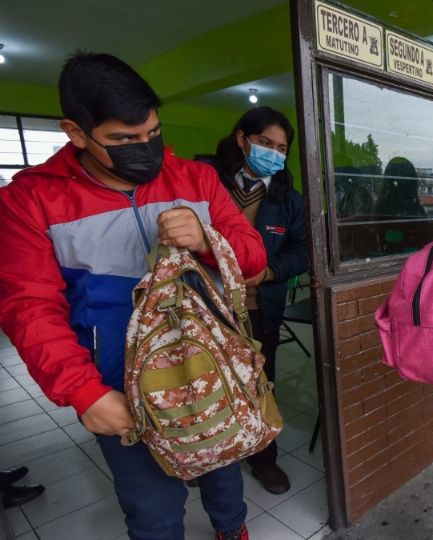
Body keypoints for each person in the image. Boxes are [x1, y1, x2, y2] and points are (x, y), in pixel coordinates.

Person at [0, 53, 267, 540]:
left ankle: (232, 528)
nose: (146, 150)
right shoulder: (31, 200)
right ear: (75, 132)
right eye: (123, 140)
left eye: (152, 134)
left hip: (209, 365)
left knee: (222, 467)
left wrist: (210, 240)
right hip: (119, 379)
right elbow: (29, 308)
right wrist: (84, 392)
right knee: (152, 506)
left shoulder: (195, 179)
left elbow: (252, 260)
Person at [212, 106, 308, 495]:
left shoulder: (288, 199)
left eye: (281, 147)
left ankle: (264, 459)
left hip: (258, 309)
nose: (273, 153)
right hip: (209, 308)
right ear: (242, 139)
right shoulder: (208, 185)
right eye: (265, 143)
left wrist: (268, 272)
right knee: (210, 384)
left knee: (260, 385)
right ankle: (212, 456)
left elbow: (301, 251)